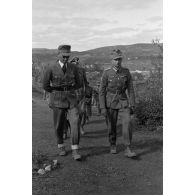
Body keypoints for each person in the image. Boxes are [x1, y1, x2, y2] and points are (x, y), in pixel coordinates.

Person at [42, 45, 82, 160]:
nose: (66, 58)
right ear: (58, 55)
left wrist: (70, 89)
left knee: (75, 122)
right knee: (59, 124)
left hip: (71, 99)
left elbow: (79, 83)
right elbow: (45, 85)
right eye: (64, 56)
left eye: (68, 56)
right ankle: (61, 145)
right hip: (58, 99)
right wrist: (55, 92)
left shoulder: (73, 68)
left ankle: (75, 149)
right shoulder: (50, 68)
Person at [99, 49, 137, 158]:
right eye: (115, 59)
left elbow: (130, 89)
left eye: (119, 59)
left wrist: (132, 104)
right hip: (110, 102)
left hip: (123, 101)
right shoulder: (106, 73)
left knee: (128, 123)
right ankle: (112, 144)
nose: (118, 62)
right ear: (111, 60)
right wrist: (102, 107)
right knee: (111, 126)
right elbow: (101, 91)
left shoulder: (126, 72)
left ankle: (128, 147)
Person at [70, 57, 88, 135]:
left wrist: (87, 92)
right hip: (72, 94)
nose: (77, 63)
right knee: (73, 113)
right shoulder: (69, 71)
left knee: (83, 112)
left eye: (77, 62)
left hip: (81, 94)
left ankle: (81, 126)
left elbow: (85, 82)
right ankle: (72, 128)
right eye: (75, 62)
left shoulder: (82, 70)